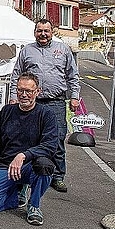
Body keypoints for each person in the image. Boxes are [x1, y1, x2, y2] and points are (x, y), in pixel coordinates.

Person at [0, 72, 58, 226]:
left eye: (29, 91)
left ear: (37, 92)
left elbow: (50, 146)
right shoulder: (7, 111)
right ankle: (15, 194)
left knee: (45, 166)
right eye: (20, 90)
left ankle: (34, 205)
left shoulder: (47, 114)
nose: (24, 94)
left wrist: (24, 155)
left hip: (30, 166)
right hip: (5, 166)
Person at [9, 18, 80, 193]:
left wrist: (75, 97)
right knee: (28, 138)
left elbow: (73, 75)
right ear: (35, 32)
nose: (43, 34)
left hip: (56, 102)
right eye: (39, 31)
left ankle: (57, 176)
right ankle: (27, 175)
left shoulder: (62, 49)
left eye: (46, 31)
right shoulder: (27, 51)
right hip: (32, 103)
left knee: (57, 139)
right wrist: (13, 97)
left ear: (52, 32)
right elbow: (16, 75)